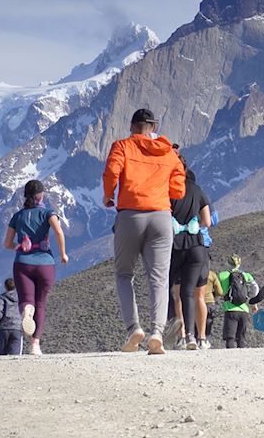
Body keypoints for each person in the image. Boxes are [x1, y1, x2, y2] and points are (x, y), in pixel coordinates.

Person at [103, 108, 186, 355]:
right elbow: (179, 189)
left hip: (130, 214)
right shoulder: (169, 152)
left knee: (124, 274)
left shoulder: (122, 146)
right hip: (161, 216)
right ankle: (157, 333)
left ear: (132, 125)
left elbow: (111, 172)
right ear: (154, 126)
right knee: (159, 278)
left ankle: (134, 329)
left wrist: (108, 196)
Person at [1, 179, 68, 356]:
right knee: (41, 303)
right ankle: (35, 345)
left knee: (27, 300)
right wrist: (63, 254)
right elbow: (59, 232)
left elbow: (6, 243)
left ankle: (26, 310)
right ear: (41, 195)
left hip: (22, 263)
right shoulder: (48, 213)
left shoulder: (17, 216)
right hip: (45, 263)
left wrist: (18, 245)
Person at [168, 167, 212, 351]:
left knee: (178, 294)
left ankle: (182, 336)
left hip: (176, 246)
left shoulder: (169, 190)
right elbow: (207, 221)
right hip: (198, 246)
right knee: (197, 295)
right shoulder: (198, 191)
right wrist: (193, 225)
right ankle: (200, 337)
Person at [216, 255, 256, 349]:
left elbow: (218, 291)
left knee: (230, 338)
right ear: (239, 263)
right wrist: (254, 302)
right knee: (241, 338)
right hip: (244, 310)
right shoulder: (246, 275)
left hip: (230, 310)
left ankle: (230, 360)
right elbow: (255, 287)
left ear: (228, 263)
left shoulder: (222, 275)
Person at [0, 278, 23, 356]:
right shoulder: (21, 298)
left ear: (5, 287)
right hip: (17, 328)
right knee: (15, 356)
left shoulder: (1, 297)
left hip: (3, 328)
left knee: (2, 355)